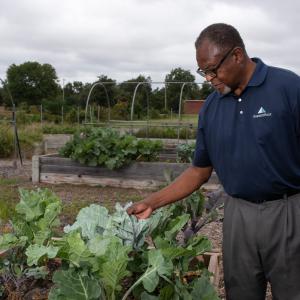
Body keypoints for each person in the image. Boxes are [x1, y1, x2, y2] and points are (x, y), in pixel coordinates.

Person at [127, 23, 300, 300]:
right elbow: (199, 171)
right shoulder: (211, 107)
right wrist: (152, 202)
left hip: (288, 212)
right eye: (203, 71)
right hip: (238, 214)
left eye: (212, 69)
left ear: (237, 56)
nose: (208, 78)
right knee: (240, 292)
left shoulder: (288, 87)